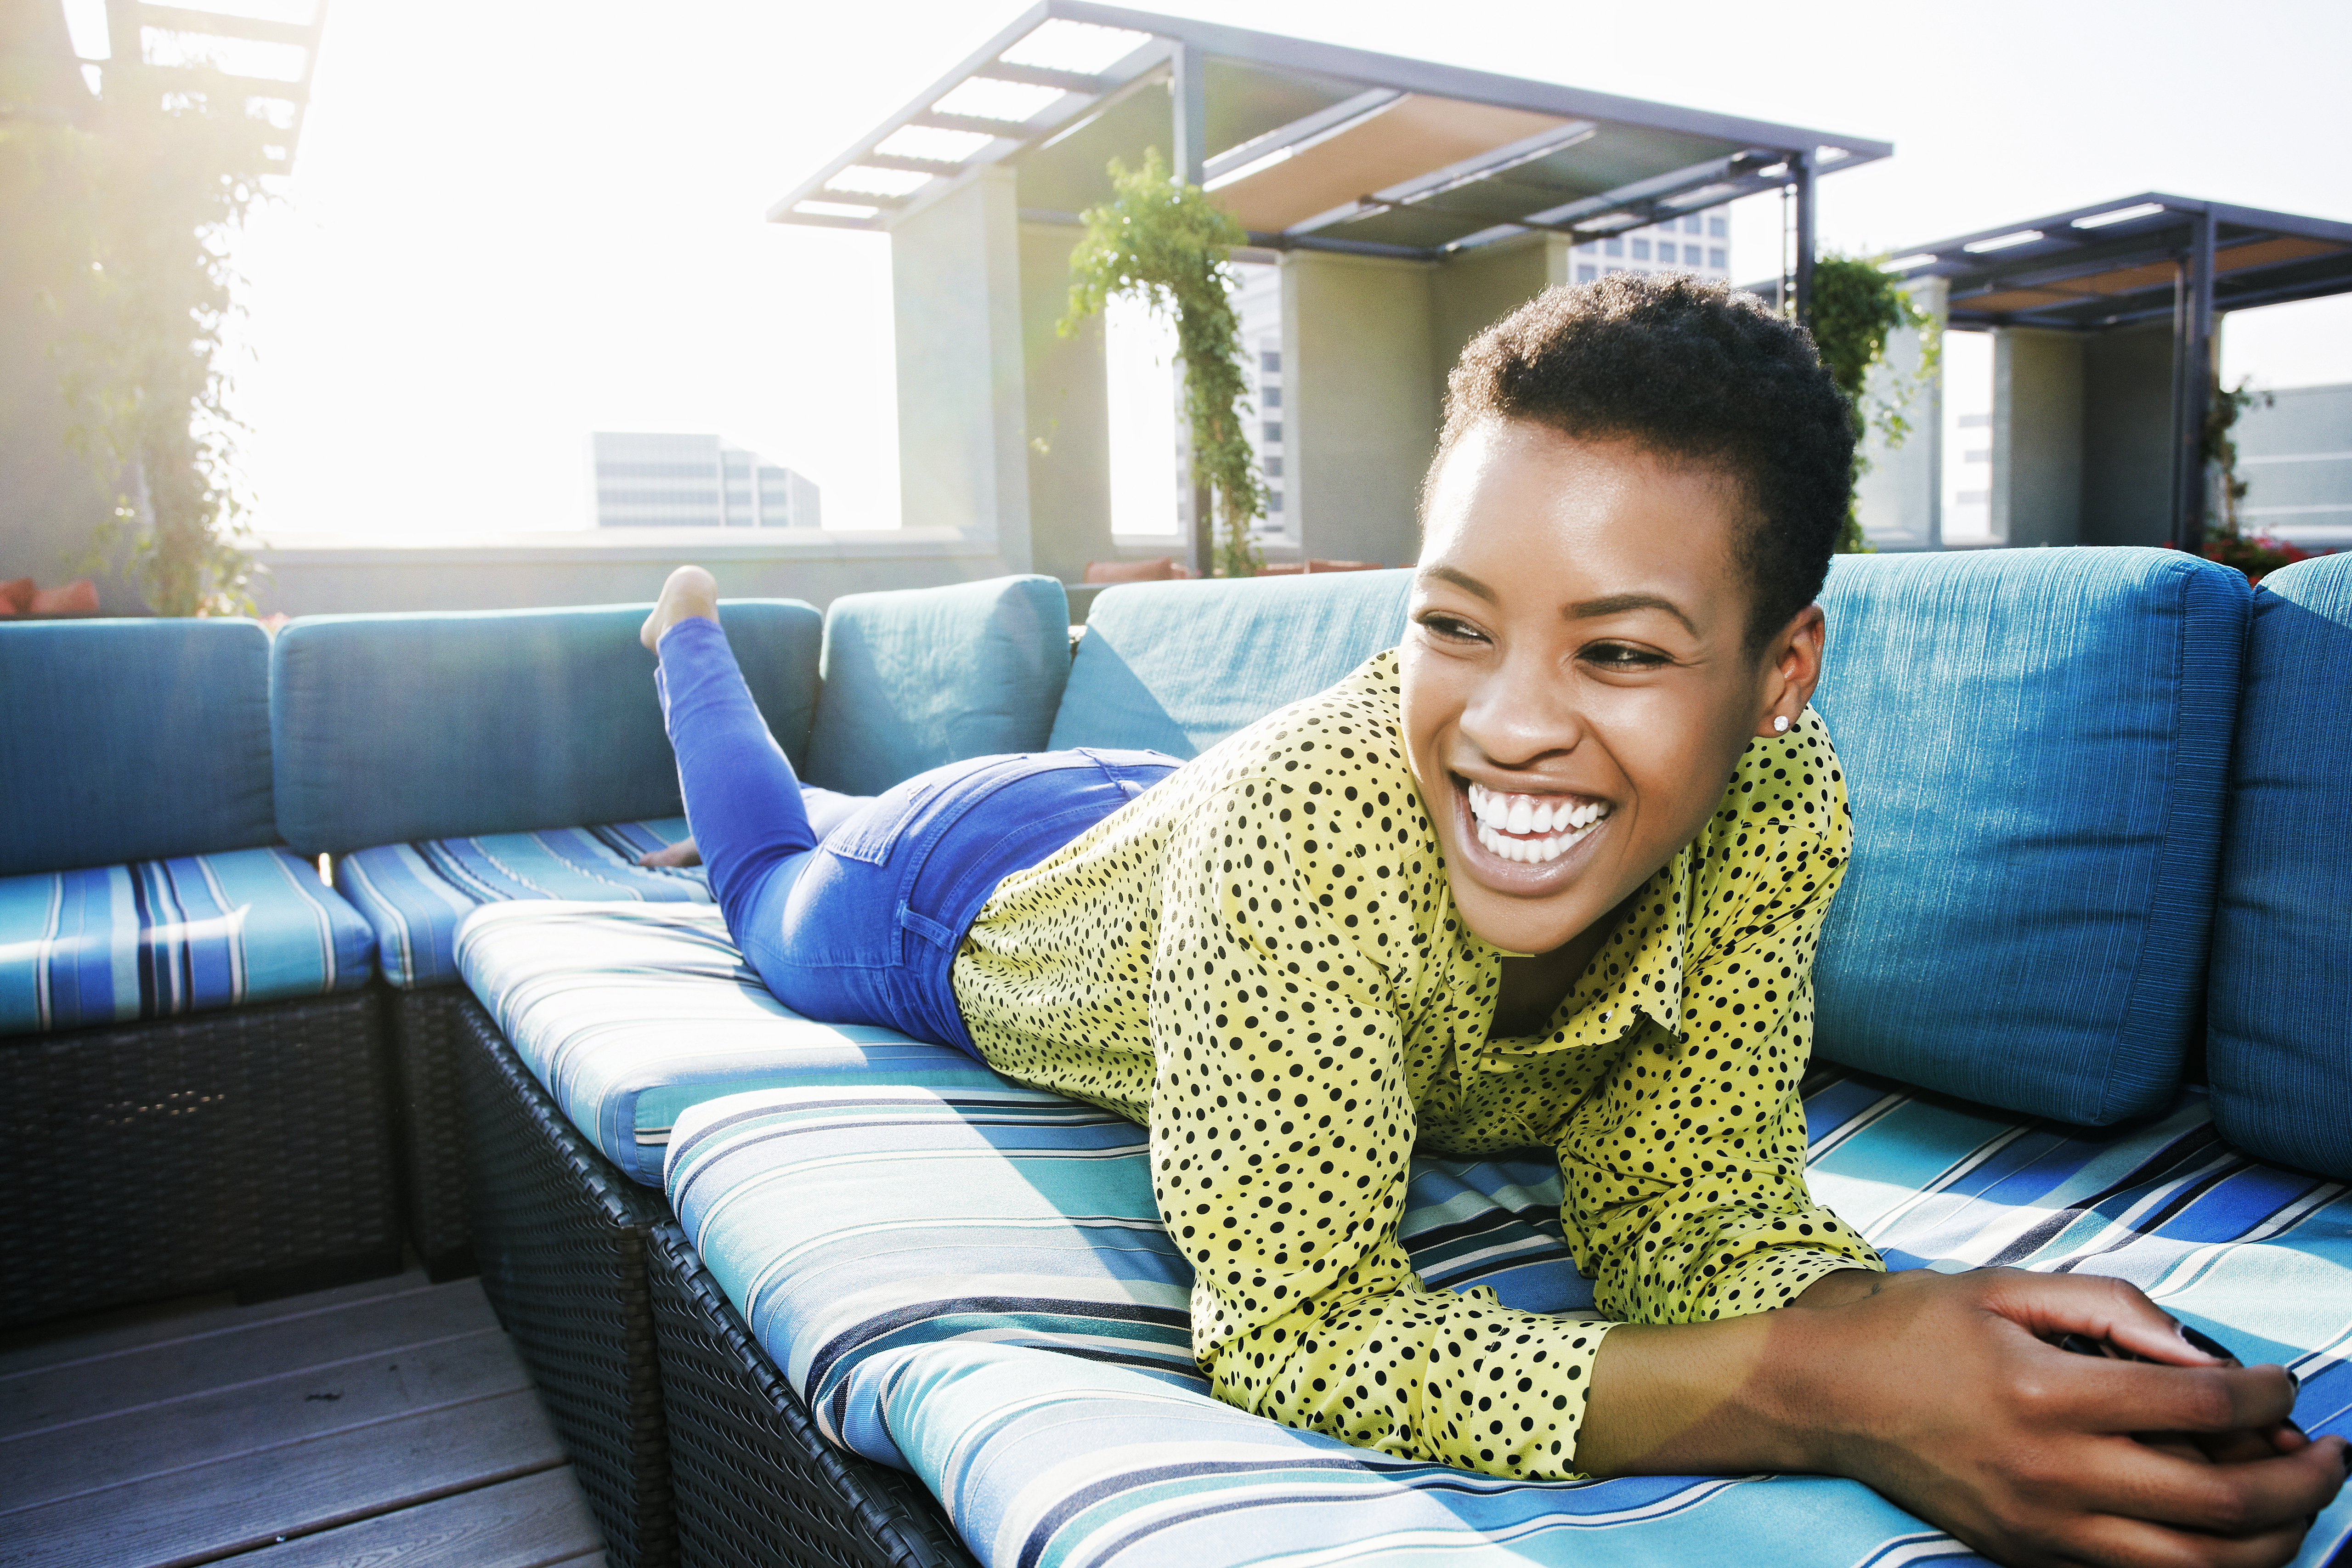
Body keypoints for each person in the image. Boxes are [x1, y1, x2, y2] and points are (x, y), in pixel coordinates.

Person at [640, 276, 2343, 1567]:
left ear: (1781, 676)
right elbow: (1302, 1334)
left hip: (1177, 820)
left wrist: (1899, 1339)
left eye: (1620, 651)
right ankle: (689, 649)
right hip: (965, 896)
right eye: (1456, 625)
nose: (1513, 721)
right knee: (769, 886)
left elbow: (1687, 1207)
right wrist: (1810, 1395)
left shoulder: (1782, 798)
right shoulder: (1309, 825)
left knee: (1207, 809)